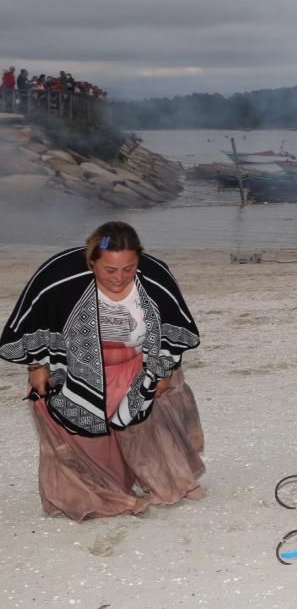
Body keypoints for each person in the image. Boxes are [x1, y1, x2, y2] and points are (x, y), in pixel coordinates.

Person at [0, 221, 205, 520]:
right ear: (91, 260)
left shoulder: (155, 278)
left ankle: (171, 480)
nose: (119, 278)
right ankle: (100, 490)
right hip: (75, 368)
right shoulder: (58, 276)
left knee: (148, 405)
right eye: (109, 270)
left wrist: (161, 373)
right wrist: (36, 365)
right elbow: (29, 324)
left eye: (129, 268)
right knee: (53, 404)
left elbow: (175, 331)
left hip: (136, 363)